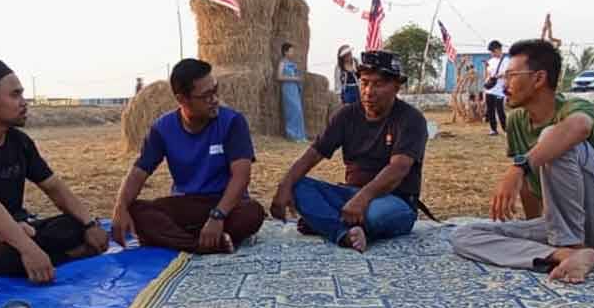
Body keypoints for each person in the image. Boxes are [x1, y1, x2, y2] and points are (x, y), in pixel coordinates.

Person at [451, 39, 594, 283]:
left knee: (552, 138)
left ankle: (571, 244)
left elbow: (579, 127)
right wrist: (532, 226)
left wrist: (519, 167)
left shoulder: (575, 108)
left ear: (539, 78)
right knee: (465, 234)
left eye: (511, 76)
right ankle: (563, 255)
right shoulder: (517, 120)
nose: (504, 84)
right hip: (561, 225)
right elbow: (529, 188)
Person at [0, 60, 109, 283]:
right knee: (9, 258)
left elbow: (54, 186)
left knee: (75, 226)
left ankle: (44, 252)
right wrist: (28, 249)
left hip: (15, 228)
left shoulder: (19, 142)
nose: (24, 102)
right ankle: (63, 256)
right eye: (15, 95)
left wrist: (89, 224)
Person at [270, 50, 428, 253]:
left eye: (378, 84)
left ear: (397, 86)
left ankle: (329, 223)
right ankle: (345, 233)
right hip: (348, 195)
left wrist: (363, 199)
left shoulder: (411, 119)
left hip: (394, 200)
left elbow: (398, 169)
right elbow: (313, 154)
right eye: (365, 83)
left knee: (375, 215)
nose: (369, 91)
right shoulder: (346, 115)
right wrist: (284, 186)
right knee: (297, 186)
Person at [110, 58, 265, 254]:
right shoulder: (162, 129)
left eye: (215, 90)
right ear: (182, 99)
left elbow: (241, 177)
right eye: (206, 96)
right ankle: (202, 245)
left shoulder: (232, 122)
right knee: (136, 211)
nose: (214, 99)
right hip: (186, 204)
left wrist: (217, 216)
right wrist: (120, 207)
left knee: (253, 212)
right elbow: (139, 172)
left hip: (226, 205)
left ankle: (186, 239)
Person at [277, 42, 307, 142]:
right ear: (285, 52)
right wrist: (293, 78)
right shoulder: (282, 63)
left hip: (294, 88)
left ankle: (300, 136)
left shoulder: (293, 64)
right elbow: (279, 76)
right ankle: (292, 135)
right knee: (292, 111)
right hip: (287, 88)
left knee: (298, 111)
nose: (293, 53)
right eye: (291, 51)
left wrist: (298, 79)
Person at [483, 40, 509, 136]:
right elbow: (488, 73)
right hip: (490, 89)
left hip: (500, 90)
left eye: (493, 51)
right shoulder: (491, 61)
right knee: (490, 110)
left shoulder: (506, 60)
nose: (492, 53)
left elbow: (507, 73)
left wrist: (498, 76)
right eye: (491, 52)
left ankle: (506, 129)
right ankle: (493, 129)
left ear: (498, 49)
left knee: (500, 109)